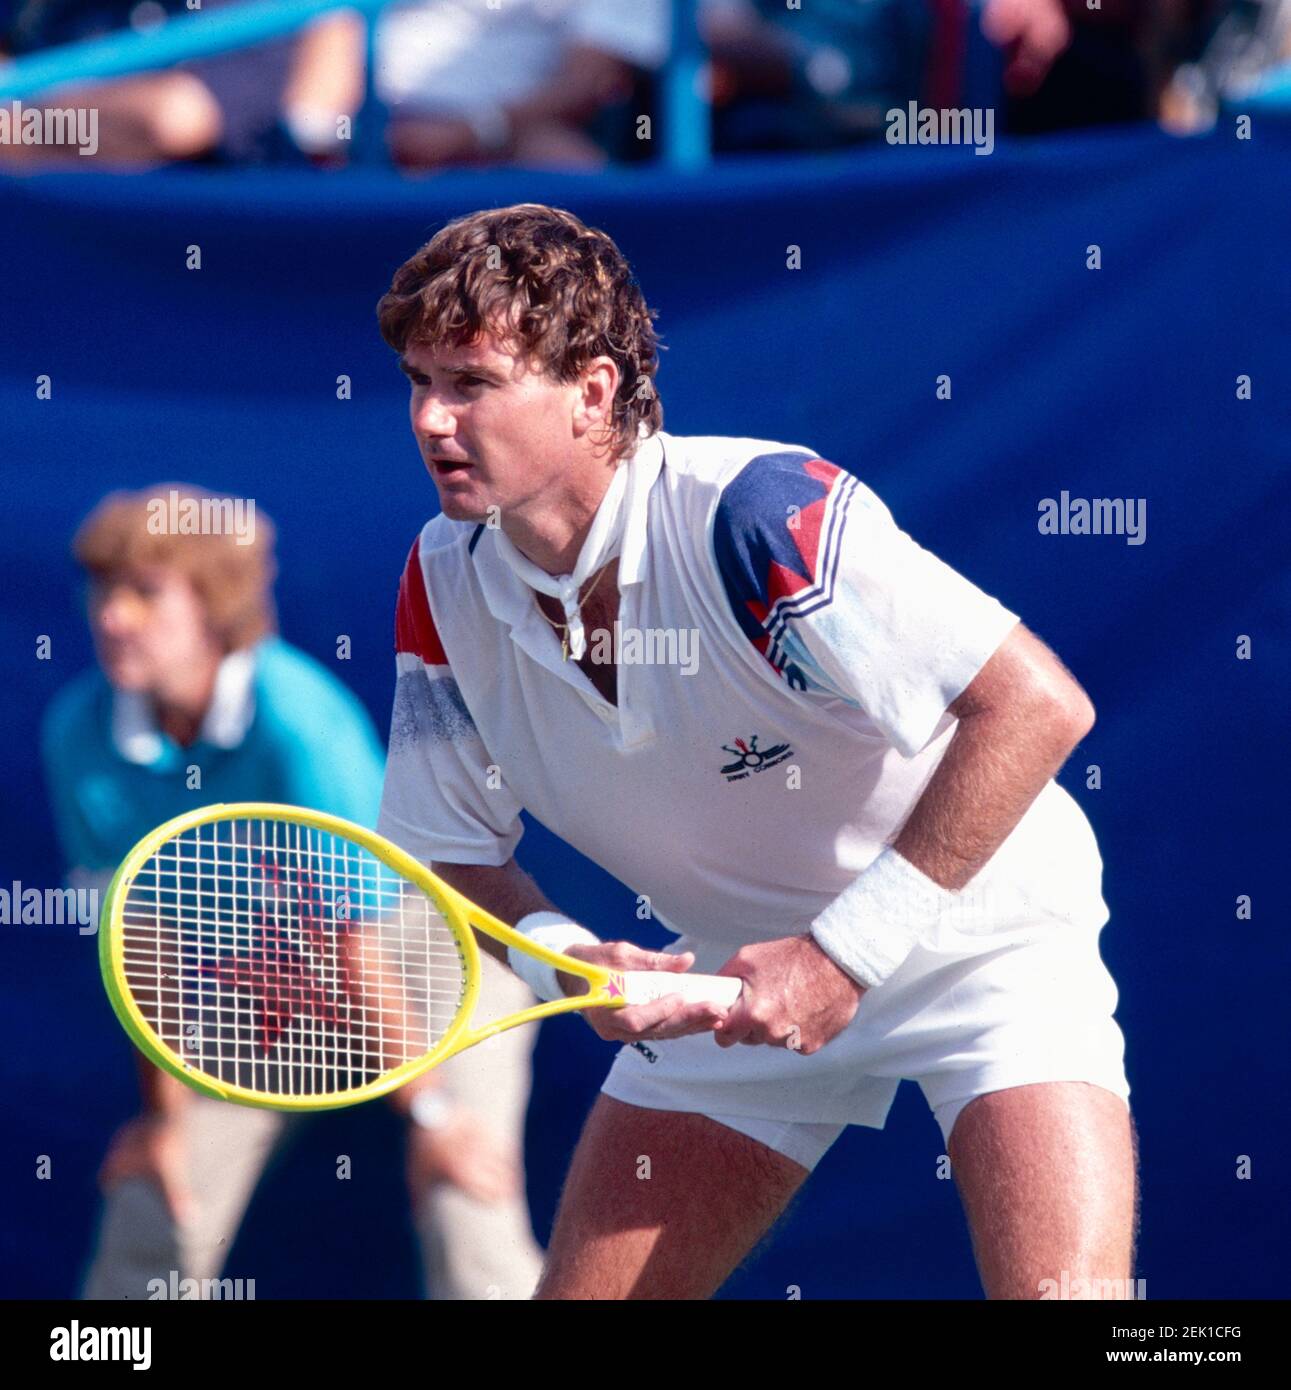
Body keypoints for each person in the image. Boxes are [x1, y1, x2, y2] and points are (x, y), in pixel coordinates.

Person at [374, 203, 1138, 1300]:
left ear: (592, 392)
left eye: (472, 383)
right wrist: (565, 959)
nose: (431, 420)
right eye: (417, 381)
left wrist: (841, 955)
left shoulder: (759, 515)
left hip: (988, 947)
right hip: (726, 976)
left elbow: (1034, 707)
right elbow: (449, 850)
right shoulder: (440, 582)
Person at [43, 483, 543, 1299]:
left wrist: (431, 1119)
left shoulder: (298, 721)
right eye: (104, 590)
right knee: (154, 1201)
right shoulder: (77, 730)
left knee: (464, 1192)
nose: (113, 617)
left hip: (423, 965)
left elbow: (357, 937)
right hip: (264, 987)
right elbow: (143, 944)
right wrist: (165, 1121)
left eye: (144, 592)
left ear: (214, 605)